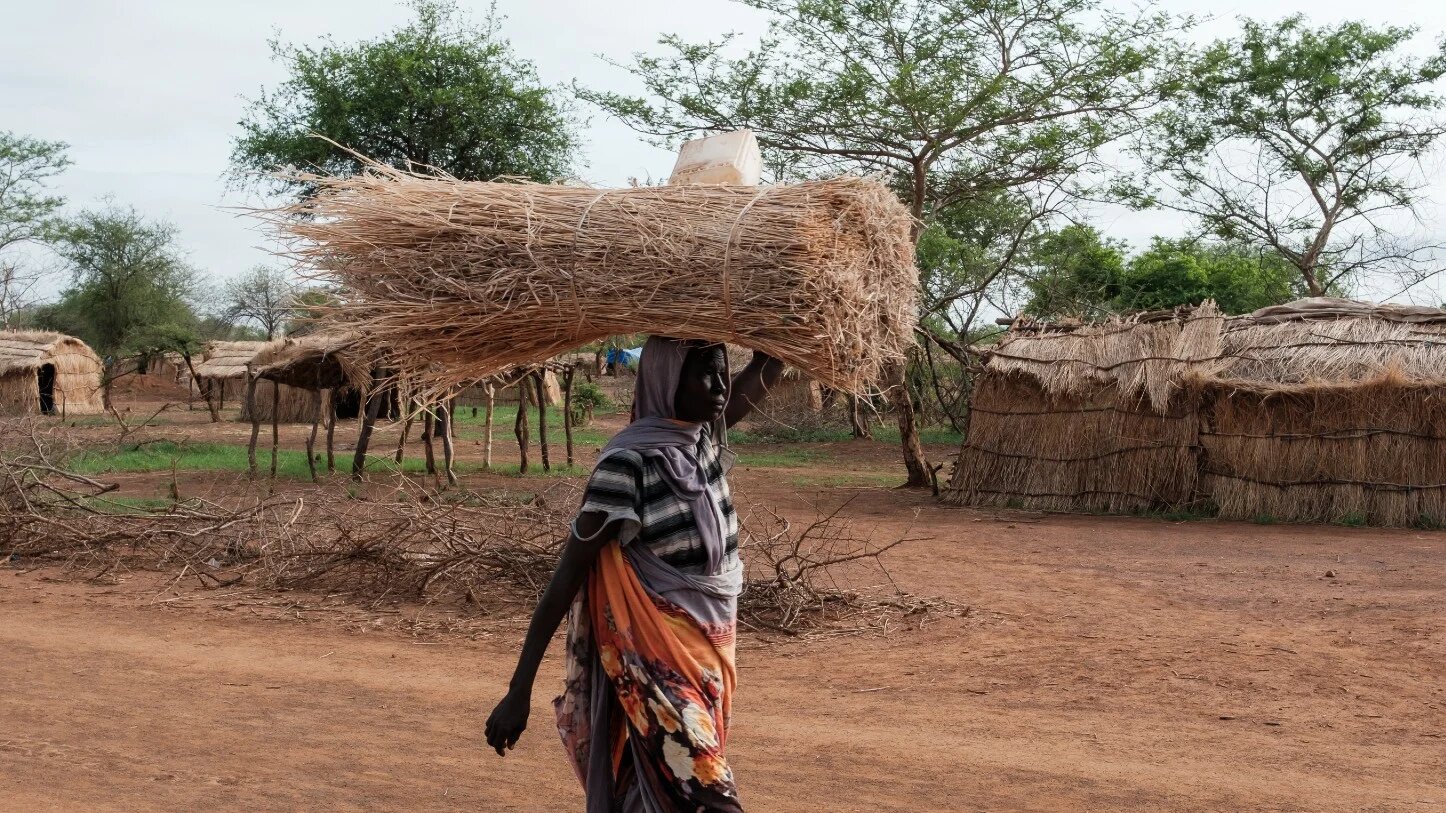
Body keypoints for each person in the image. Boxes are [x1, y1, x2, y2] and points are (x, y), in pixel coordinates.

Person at [486, 336, 784, 812]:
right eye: (705, 372)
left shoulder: (700, 443)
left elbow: (755, 382)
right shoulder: (628, 464)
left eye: (724, 371)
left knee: (661, 794)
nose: (720, 385)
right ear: (667, 380)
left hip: (710, 657)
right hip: (651, 663)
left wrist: (783, 341)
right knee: (709, 794)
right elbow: (567, 576)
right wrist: (517, 690)